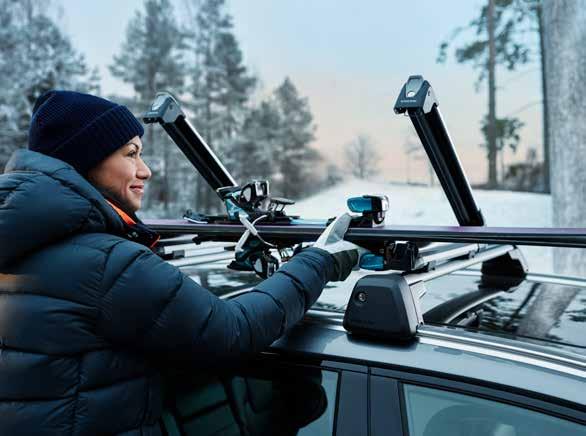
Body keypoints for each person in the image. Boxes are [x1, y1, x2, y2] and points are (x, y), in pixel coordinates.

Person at [0, 91, 362, 435]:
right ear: (84, 160)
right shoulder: (107, 264)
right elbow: (230, 331)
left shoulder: (22, 241)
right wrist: (317, 262)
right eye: (131, 154)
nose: (145, 171)